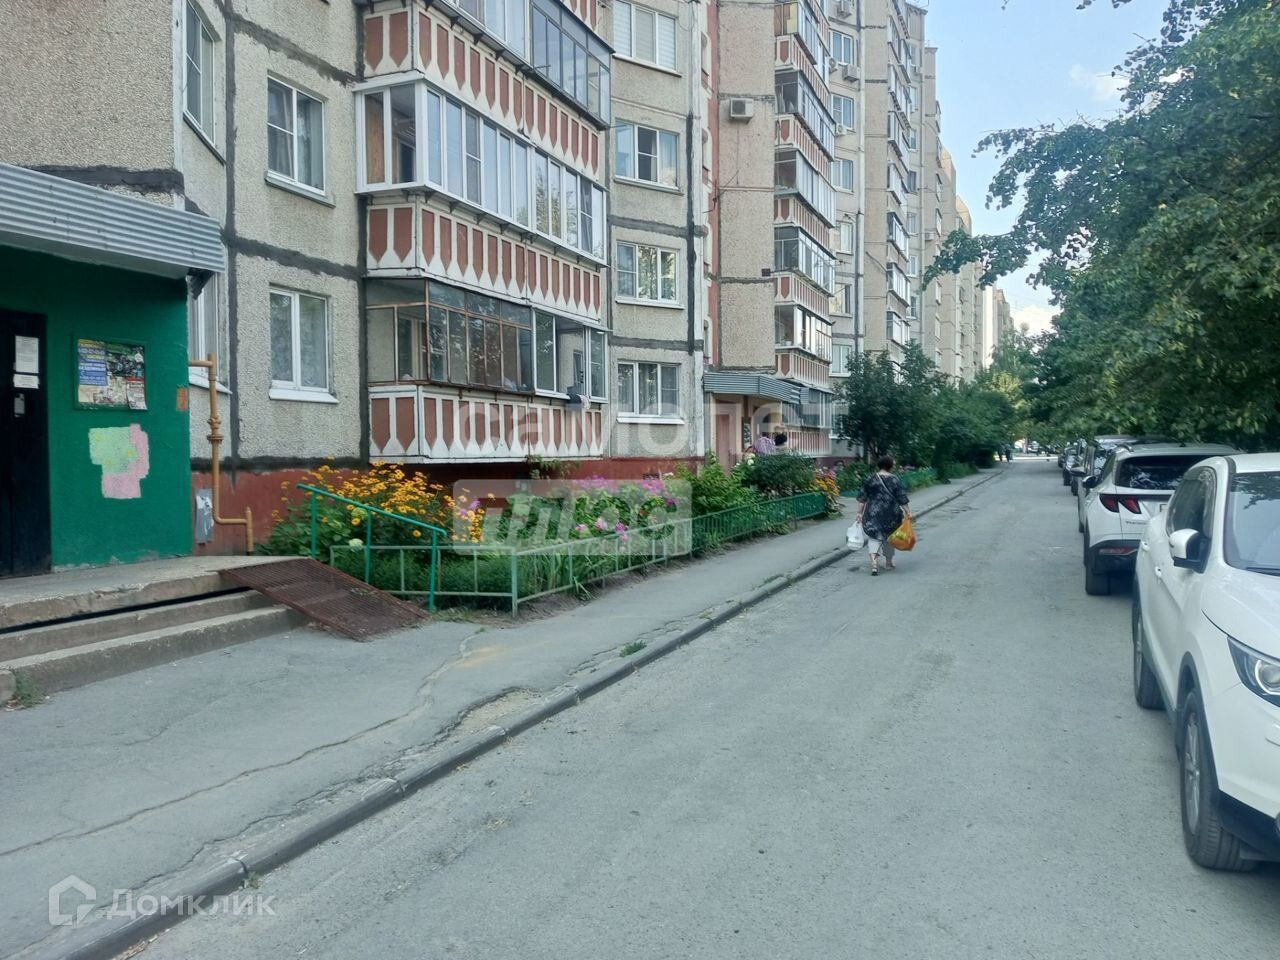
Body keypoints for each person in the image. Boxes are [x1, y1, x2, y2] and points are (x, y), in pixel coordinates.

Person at [855, 455, 911, 576]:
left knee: (874, 537)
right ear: (891, 466)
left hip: (873, 513)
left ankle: (874, 564)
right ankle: (888, 563)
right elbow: (902, 498)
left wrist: (859, 513)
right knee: (889, 538)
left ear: (879, 465)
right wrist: (908, 512)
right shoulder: (895, 479)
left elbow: (862, 498)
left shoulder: (871, 478)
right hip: (891, 514)